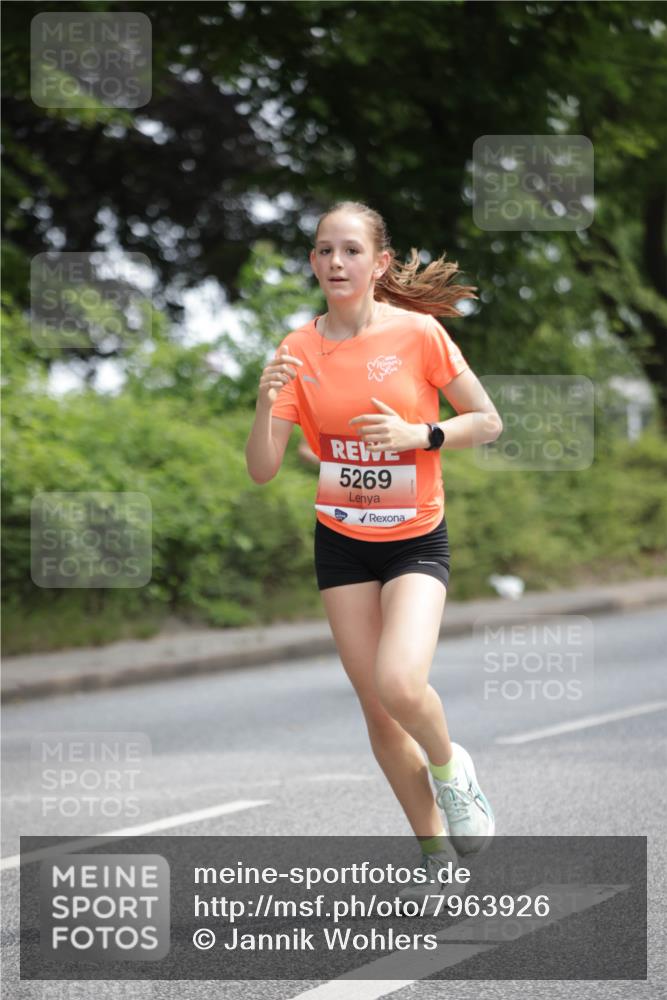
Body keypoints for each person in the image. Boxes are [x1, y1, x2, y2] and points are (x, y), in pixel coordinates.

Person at [245, 200, 503, 902]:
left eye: (351, 250)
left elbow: (487, 419)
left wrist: (423, 437)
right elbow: (263, 468)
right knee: (377, 710)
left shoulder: (419, 334)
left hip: (415, 537)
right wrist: (263, 406)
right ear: (312, 263)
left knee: (399, 681)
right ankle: (434, 856)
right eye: (324, 250)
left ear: (379, 263)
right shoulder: (296, 349)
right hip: (341, 544)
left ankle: (452, 771)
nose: (336, 262)